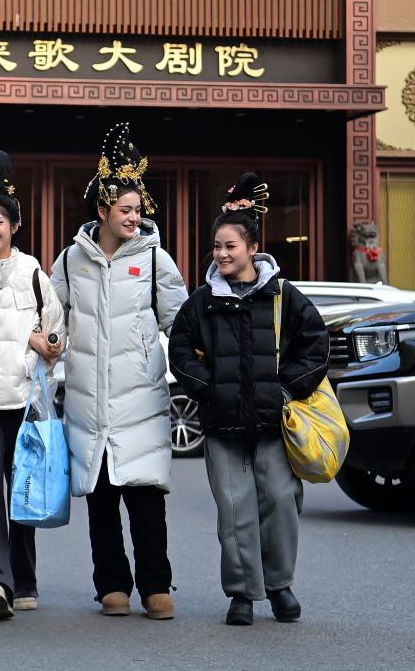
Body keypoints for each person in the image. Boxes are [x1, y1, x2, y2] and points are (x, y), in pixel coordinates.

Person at [167, 172, 329, 626]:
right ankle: (242, 594)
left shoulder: (284, 296)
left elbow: (316, 347)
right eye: (216, 247)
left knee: (280, 500)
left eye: (230, 247)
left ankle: (279, 586)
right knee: (234, 511)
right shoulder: (202, 302)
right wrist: (207, 389)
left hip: (274, 424)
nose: (221, 255)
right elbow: (180, 351)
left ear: (253, 248)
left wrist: (286, 390)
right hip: (222, 426)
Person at [50, 122, 188, 620]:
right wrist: (46, 346)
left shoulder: (155, 259)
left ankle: (156, 584)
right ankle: (111, 583)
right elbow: (52, 321)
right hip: (88, 400)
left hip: (141, 397)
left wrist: (202, 362)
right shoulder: (71, 261)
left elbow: (180, 323)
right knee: (102, 500)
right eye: (125, 210)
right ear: (103, 211)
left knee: (146, 498)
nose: (134, 217)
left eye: (137, 209)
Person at [0, 150, 66, 620]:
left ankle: (25, 580)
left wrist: (47, 345)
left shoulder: (34, 275)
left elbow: (57, 334)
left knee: (22, 488)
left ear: (14, 226)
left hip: (22, 399)